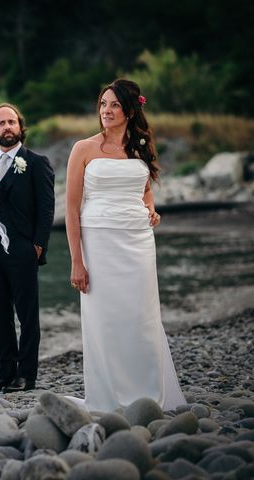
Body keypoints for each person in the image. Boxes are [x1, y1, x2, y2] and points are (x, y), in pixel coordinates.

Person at [65, 79, 185, 411]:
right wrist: (77, 261)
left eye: (115, 105)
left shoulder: (140, 146)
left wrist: (150, 209)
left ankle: (147, 394)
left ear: (130, 110)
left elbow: (144, 190)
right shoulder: (83, 149)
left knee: (141, 315)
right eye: (103, 104)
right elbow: (71, 208)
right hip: (99, 241)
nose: (106, 110)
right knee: (105, 317)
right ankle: (109, 396)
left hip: (138, 242)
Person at [0, 103, 55, 393]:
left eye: (11, 122)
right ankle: (3, 374)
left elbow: (46, 209)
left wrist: (39, 246)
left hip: (23, 250)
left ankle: (26, 375)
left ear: (20, 127)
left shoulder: (36, 162)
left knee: (27, 316)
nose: (7, 127)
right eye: (0, 123)